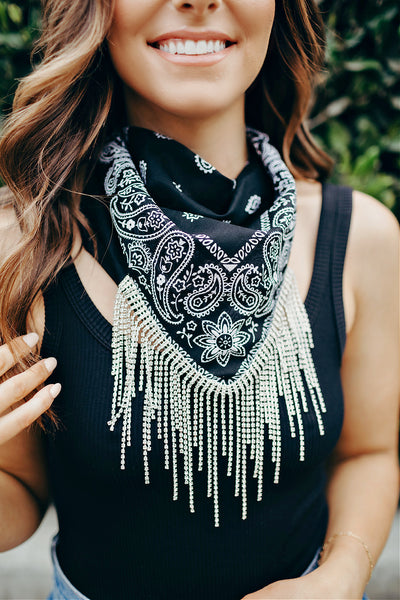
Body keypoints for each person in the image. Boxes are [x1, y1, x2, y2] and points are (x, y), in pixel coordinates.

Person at [0, 1, 399, 599]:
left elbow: (367, 454)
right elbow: (21, 495)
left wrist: (341, 578)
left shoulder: (361, 239)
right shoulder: (23, 247)